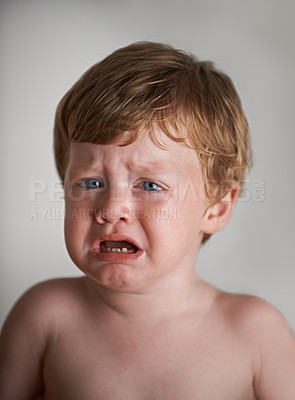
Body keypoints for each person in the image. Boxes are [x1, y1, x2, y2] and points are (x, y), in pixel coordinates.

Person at [0, 41, 294, 400]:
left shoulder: (255, 333)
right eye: (91, 182)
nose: (111, 208)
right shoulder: (46, 316)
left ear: (215, 208)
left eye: (150, 185)